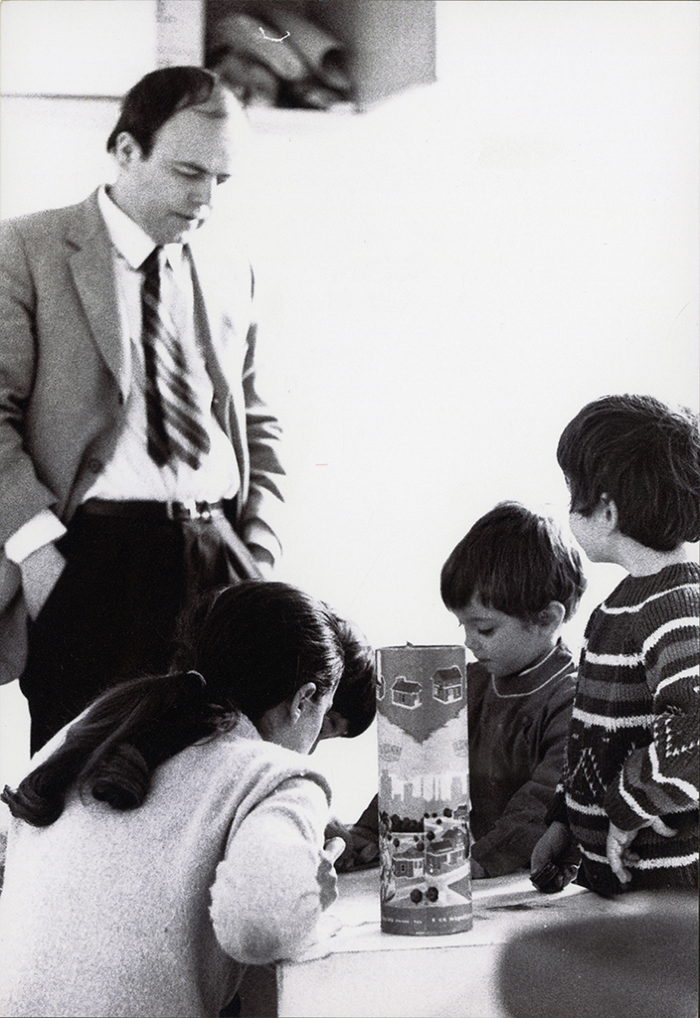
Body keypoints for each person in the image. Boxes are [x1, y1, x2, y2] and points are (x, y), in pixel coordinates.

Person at [0, 66, 285, 753]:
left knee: (227, 775)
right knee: (94, 794)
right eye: (189, 172)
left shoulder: (229, 267)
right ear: (126, 149)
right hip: (93, 562)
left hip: (222, 554)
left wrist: (262, 550)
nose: (205, 200)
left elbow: (256, 415)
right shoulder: (26, 249)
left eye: (221, 180)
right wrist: (39, 560)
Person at [0, 581, 359, 1018]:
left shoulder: (90, 732)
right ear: (304, 700)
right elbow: (262, 927)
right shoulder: (278, 776)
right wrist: (308, 877)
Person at [335, 502, 587, 878]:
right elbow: (417, 767)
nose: (470, 641)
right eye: (462, 627)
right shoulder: (468, 683)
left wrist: (483, 860)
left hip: (532, 875)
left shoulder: (572, 698)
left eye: (485, 629)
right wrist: (370, 831)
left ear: (548, 618)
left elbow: (544, 796)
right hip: (476, 868)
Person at [531, 394, 699, 897]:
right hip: (622, 886)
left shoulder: (676, 608)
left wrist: (627, 807)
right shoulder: (618, 608)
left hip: (669, 898)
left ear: (605, 509)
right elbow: (594, 737)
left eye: (571, 493)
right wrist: (565, 823)